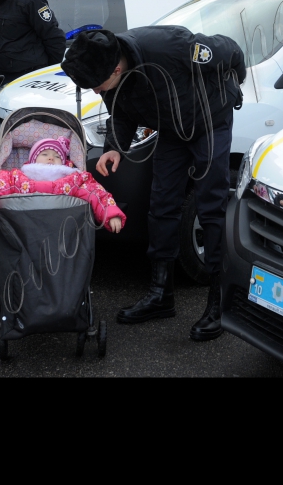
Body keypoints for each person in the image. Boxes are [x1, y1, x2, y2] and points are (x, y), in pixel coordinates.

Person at [61, 26, 246, 341]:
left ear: (116, 68)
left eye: (97, 85)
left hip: (210, 121)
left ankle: (219, 303)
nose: (95, 91)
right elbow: (119, 110)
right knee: (161, 204)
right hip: (172, 129)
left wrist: (235, 82)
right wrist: (114, 148)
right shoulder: (105, 66)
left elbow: (229, 50)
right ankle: (162, 295)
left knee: (211, 206)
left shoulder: (171, 46)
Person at [0, 136, 125, 232]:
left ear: (64, 162)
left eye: (57, 156)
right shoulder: (18, 178)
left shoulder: (73, 180)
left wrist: (111, 214)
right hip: (23, 231)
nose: (50, 158)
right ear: (32, 160)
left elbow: (97, 192)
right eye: (44, 153)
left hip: (62, 231)